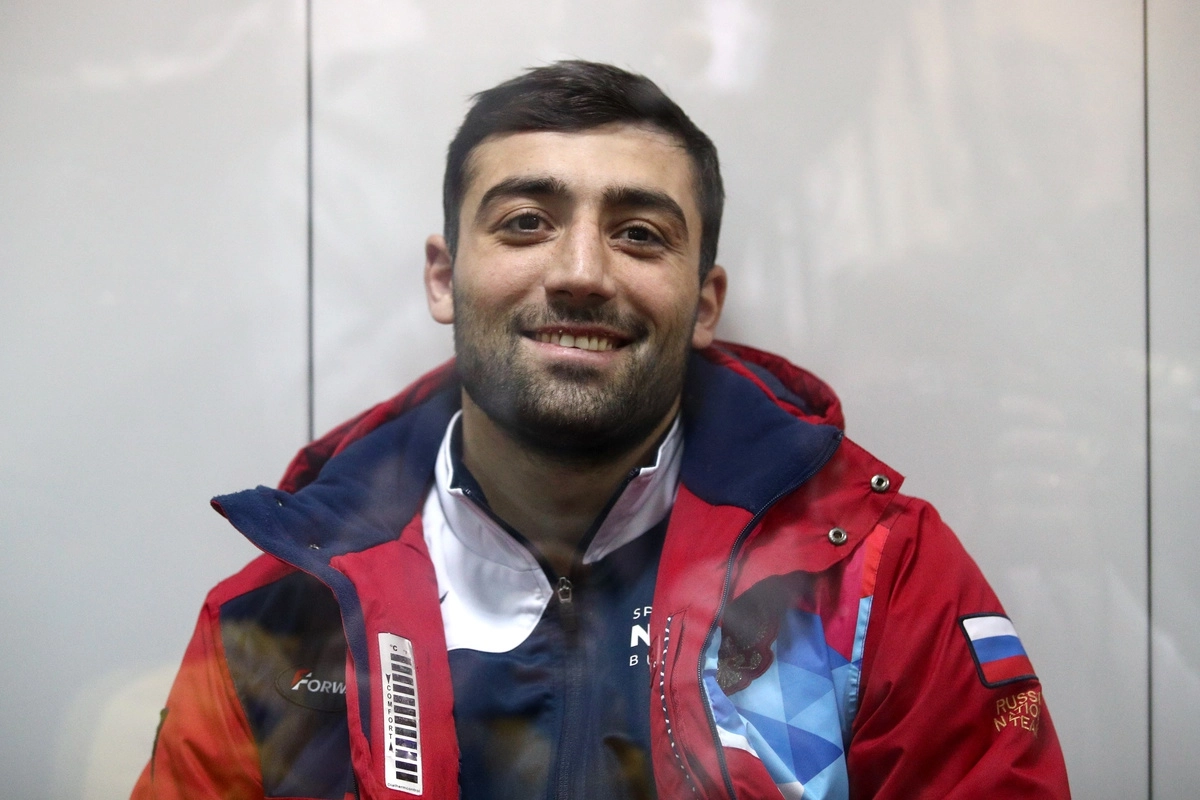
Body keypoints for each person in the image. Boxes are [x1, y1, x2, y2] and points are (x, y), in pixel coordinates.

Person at [132, 61, 1070, 800]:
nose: (581, 271)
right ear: (443, 278)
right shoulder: (281, 619)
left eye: (640, 234)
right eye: (526, 222)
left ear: (705, 303)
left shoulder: (875, 580)